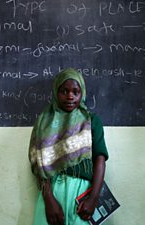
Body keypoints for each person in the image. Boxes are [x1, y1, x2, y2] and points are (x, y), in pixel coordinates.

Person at [28, 68, 109, 225]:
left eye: (75, 91)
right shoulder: (44, 122)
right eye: (64, 91)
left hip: (83, 193)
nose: (70, 96)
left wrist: (93, 198)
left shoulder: (91, 121)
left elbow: (100, 159)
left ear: (82, 93)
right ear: (55, 93)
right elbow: (39, 164)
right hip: (51, 191)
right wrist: (49, 199)